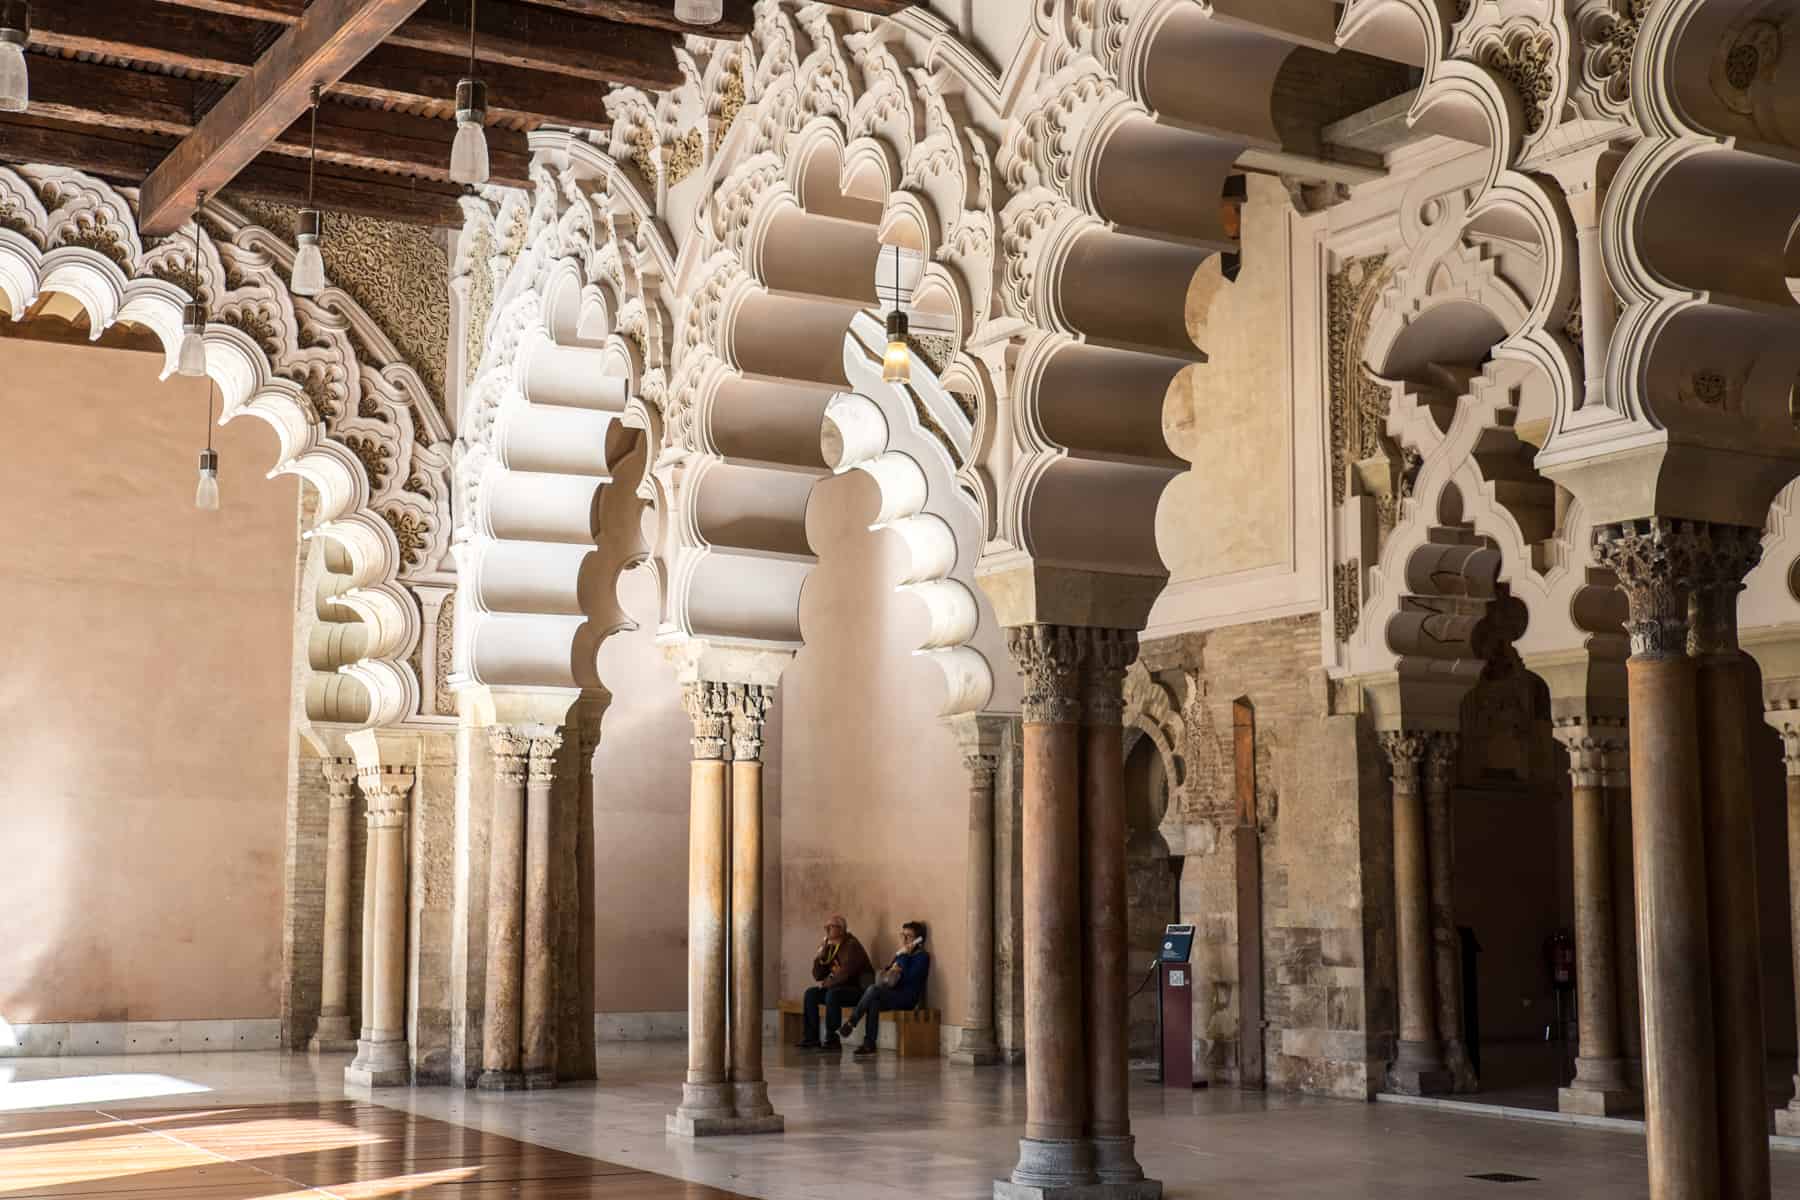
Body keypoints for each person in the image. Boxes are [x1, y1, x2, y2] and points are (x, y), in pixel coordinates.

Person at [838, 920, 931, 1057]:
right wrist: (894, 966)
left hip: (907, 998)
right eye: (903, 935)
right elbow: (888, 972)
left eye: (909, 936)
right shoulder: (901, 954)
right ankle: (869, 1044)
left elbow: (909, 978)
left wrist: (903, 957)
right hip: (892, 994)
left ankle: (852, 1022)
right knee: (873, 1000)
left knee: (873, 990)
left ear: (918, 940)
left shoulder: (922, 957)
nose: (904, 939)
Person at [796, 914, 872, 1050]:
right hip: (838, 988)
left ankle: (832, 1040)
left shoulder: (851, 945)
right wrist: (820, 956)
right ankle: (811, 1038)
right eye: (826, 927)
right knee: (811, 994)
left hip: (858, 991)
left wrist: (827, 984)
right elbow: (818, 975)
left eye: (831, 927)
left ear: (842, 929)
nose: (826, 930)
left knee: (832, 994)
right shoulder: (830, 948)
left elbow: (845, 973)